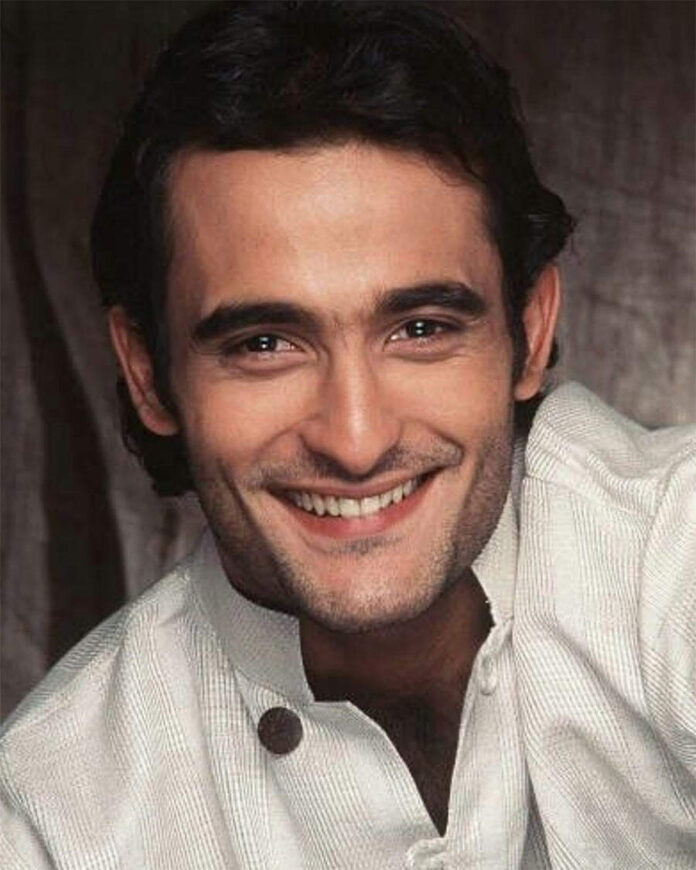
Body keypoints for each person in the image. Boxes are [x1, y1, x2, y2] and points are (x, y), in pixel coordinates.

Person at [1, 1, 694, 866]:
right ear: (148, 374)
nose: (357, 441)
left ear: (530, 330)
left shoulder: (671, 561)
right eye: (264, 344)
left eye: (422, 329)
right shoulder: (56, 819)